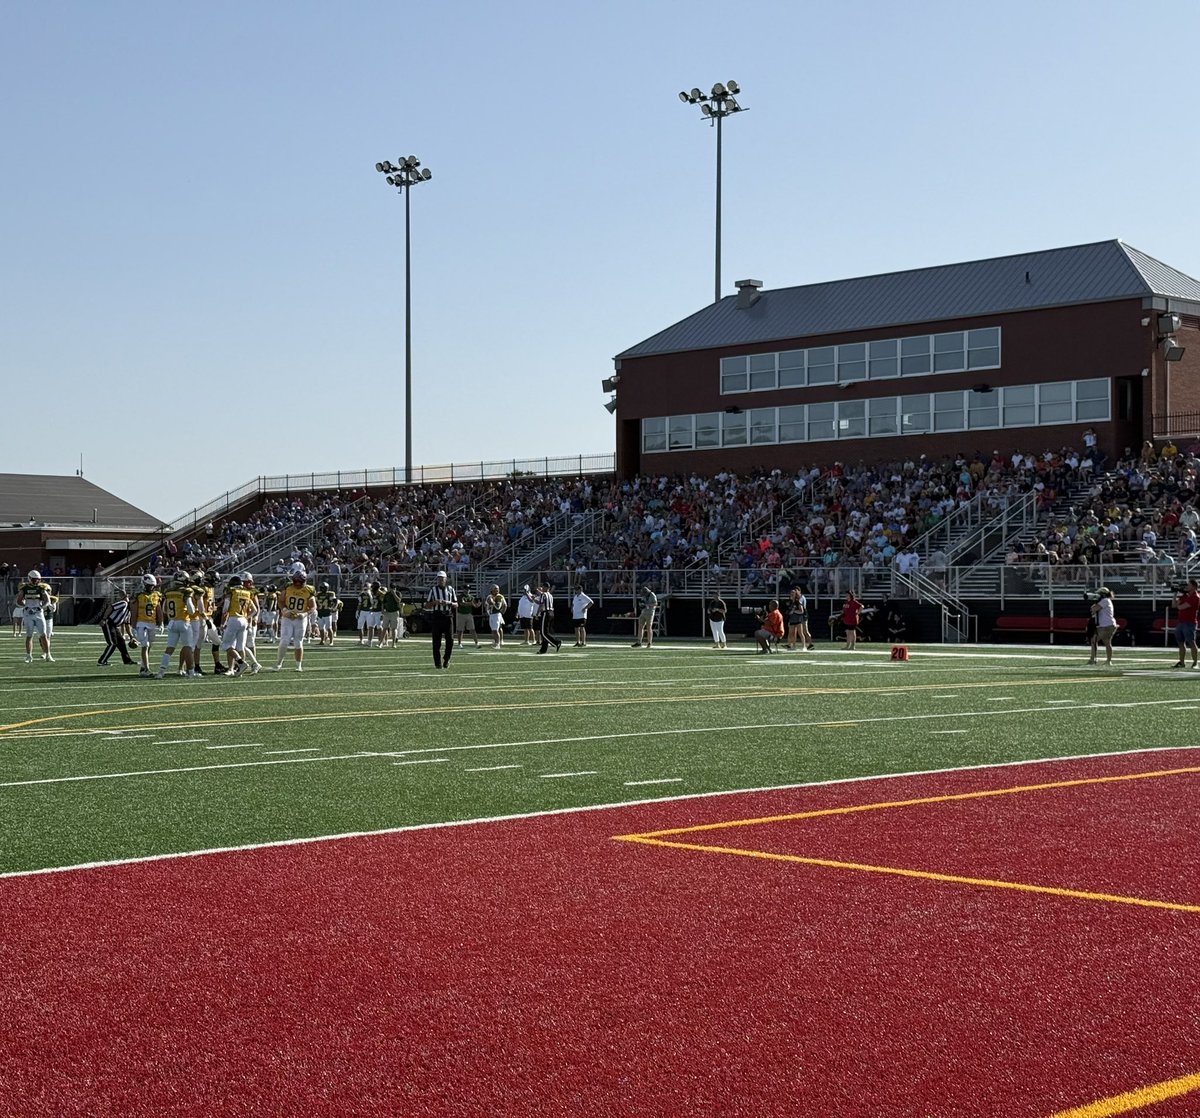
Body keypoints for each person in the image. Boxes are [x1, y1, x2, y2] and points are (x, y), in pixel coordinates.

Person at [275, 564, 317, 671]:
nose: (298, 584)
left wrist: (304, 614)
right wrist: (284, 610)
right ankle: (279, 663)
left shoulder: (309, 590)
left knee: (298, 642)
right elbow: (280, 601)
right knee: (284, 640)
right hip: (288, 617)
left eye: (300, 581)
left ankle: (298, 666)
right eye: (296, 581)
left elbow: (313, 606)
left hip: (300, 618)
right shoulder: (288, 588)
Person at [156, 571, 196, 679]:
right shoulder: (186, 591)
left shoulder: (169, 592)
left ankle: (161, 671)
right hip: (183, 622)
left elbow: (164, 609)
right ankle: (191, 672)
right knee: (188, 647)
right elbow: (191, 610)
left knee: (169, 648)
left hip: (172, 622)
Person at [17, 569, 53, 664]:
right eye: (34, 579)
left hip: (38, 613)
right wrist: (25, 606)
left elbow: (47, 600)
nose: (36, 581)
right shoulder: (24, 588)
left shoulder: (41, 588)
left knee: (43, 635)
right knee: (29, 635)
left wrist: (41, 606)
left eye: (37, 579)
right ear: (29, 579)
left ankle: (48, 654)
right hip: (28, 613)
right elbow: (18, 600)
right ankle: (29, 655)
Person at [130, 573, 162, 676]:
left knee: (149, 646)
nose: (151, 587)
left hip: (152, 623)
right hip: (141, 623)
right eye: (149, 585)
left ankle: (143, 668)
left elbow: (159, 611)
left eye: (152, 586)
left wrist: (160, 623)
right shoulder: (138, 596)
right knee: (145, 645)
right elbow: (134, 612)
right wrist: (133, 627)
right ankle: (147, 669)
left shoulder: (156, 595)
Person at [426, 570, 457, 669]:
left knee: (450, 640)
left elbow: (456, 604)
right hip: (437, 616)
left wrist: (448, 603)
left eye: (442, 578)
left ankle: (447, 658)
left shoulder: (451, 589)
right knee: (436, 641)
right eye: (439, 578)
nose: (440, 580)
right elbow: (427, 604)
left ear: (446, 579)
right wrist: (435, 602)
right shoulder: (433, 590)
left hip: (448, 616)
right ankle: (437, 663)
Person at [98, 589, 135, 666]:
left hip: (114, 625)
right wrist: (104, 619)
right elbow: (111, 607)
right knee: (112, 643)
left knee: (121, 642)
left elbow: (127, 625)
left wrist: (131, 637)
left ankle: (127, 660)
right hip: (109, 623)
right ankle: (102, 661)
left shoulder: (129, 612)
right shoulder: (124, 603)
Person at [1172, 578, 1199, 670]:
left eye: (1189, 585)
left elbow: (1181, 607)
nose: (1187, 587)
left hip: (1190, 623)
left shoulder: (1196, 597)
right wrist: (1175, 593)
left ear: (1194, 587)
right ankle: (1182, 662)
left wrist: (1179, 604)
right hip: (1181, 622)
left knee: (1191, 642)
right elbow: (1174, 605)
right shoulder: (1185, 596)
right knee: (1180, 643)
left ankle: (1195, 663)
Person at [1088, 587, 1117, 666]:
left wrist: (1094, 604)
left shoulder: (1105, 601)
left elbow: (1094, 609)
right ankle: (1094, 659)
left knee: (1106, 642)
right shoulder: (1105, 601)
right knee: (1095, 640)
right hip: (1106, 625)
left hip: (1106, 625)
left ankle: (1107, 660)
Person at [533, 581, 561, 654]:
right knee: (546, 632)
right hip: (551, 613)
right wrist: (535, 599)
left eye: (543, 587)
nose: (542, 588)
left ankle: (556, 642)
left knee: (543, 632)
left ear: (545, 587)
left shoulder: (544, 595)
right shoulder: (550, 595)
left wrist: (537, 614)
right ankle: (543, 649)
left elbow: (541, 605)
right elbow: (541, 603)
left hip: (546, 613)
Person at [785, 587, 813, 651]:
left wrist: (794, 611)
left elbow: (801, 611)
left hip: (798, 619)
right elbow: (788, 611)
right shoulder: (790, 602)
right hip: (792, 619)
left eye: (793, 593)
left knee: (801, 632)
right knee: (791, 632)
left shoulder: (798, 601)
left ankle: (805, 646)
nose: (791, 594)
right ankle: (791, 646)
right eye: (791, 593)